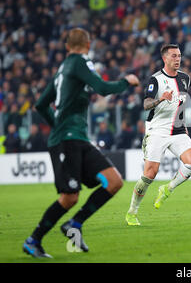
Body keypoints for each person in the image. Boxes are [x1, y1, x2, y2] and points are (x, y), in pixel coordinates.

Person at [23, 28, 139, 258]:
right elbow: (103, 88)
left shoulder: (62, 70)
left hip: (78, 138)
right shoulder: (79, 62)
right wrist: (126, 81)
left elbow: (41, 104)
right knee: (69, 197)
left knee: (114, 181)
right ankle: (33, 240)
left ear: (67, 46)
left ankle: (74, 224)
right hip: (66, 141)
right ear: (87, 44)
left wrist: (56, 122)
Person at [125, 44, 191, 226]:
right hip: (157, 130)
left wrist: (184, 126)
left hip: (178, 130)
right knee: (150, 173)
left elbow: (181, 104)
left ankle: (167, 188)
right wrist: (161, 99)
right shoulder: (155, 80)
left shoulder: (185, 78)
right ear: (165, 58)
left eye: (179, 56)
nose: (178, 59)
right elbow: (146, 104)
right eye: (173, 56)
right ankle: (132, 212)